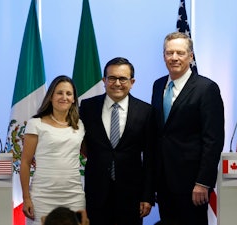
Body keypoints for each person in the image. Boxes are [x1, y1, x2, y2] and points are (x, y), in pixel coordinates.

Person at [151, 31, 225, 225]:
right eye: (169, 53)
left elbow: (213, 140)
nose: (174, 57)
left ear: (191, 56)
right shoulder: (158, 85)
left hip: (192, 184)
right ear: (164, 56)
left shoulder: (206, 88)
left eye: (180, 53)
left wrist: (203, 182)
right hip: (164, 180)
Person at [80, 57, 155, 225]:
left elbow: (150, 157)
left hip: (132, 195)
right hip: (95, 192)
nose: (117, 83)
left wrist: (147, 196)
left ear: (132, 81)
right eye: (112, 78)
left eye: (123, 78)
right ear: (104, 80)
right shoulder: (87, 107)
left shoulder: (146, 111)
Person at [20, 75, 86, 225]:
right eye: (59, 93)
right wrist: (26, 198)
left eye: (69, 94)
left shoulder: (80, 125)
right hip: (42, 196)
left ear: (74, 99)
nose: (64, 97)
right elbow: (25, 163)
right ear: (51, 96)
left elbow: (89, 153)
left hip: (74, 195)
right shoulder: (35, 123)